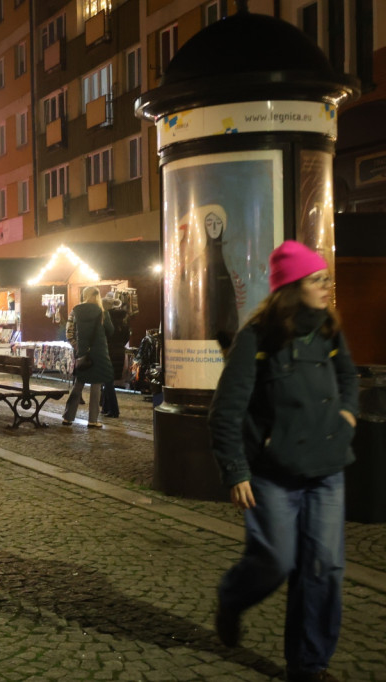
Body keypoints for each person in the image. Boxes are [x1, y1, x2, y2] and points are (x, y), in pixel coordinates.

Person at [209, 241, 357, 682]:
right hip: (273, 475)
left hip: (327, 469)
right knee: (276, 560)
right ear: (292, 287)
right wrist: (235, 470)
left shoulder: (329, 330)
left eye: (327, 277)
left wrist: (346, 415)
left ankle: (308, 665)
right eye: (318, 279)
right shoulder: (257, 338)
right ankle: (232, 598)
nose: (327, 285)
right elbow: (226, 411)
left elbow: (348, 376)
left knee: (324, 567)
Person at [61, 287, 113, 427]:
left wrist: (77, 347)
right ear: (97, 296)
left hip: (83, 353)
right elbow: (110, 330)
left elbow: (69, 331)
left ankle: (68, 417)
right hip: (100, 353)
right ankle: (93, 420)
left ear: (84, 295)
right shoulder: (102, 312)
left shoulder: (75, 310)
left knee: (78, 385)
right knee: (96, 387)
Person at [100, 298, 131, 418]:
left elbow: (105, 334)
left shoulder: (107, 319)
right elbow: (127, 336)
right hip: (119, 351)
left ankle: (114, 409)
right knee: (109, 380)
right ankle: (105, 406)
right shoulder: (123, 320)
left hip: (108, 351)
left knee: (107, 381)